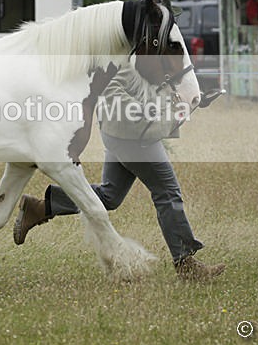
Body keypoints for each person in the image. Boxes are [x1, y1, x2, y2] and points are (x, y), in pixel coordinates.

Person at [13, 61, 225, 281]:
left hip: (122, 135)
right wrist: (162, 113)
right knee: (167, 192)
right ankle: (186, 263)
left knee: (110, 195)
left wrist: (192, 97)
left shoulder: (135, 54)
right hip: (134, 137)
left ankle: (40, 207)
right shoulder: (122, 57)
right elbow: (116, 96)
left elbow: (150, 85)